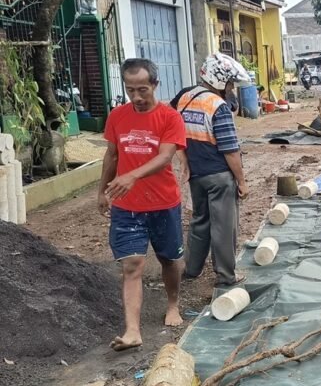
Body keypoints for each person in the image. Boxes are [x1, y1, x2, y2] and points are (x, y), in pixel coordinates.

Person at [98, 58, 187, 351]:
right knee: (132, 265)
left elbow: (165, 156)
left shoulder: (170, 117)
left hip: (163, 203)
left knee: (169, 259)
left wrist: (132, 175)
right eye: (130, 89)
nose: (136, 97)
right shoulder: (117, 117)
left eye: (142, 90)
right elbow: (111, 156)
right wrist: (102, 191)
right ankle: (132, 331)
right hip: (128, 205)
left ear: (155, 85)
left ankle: (173, 303)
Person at [175, 52, 250, 287]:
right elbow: (230, 150)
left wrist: (184, 161)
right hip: (219, 176)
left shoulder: (183, 97)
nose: (231, 89)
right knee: (224, 226)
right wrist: (241, 181)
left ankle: (192, 269)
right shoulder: (218, 106)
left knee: (200, 220)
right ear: (220, 80)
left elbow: (174, 134)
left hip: (196, 174)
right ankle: (227, 275)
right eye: (230, 83)